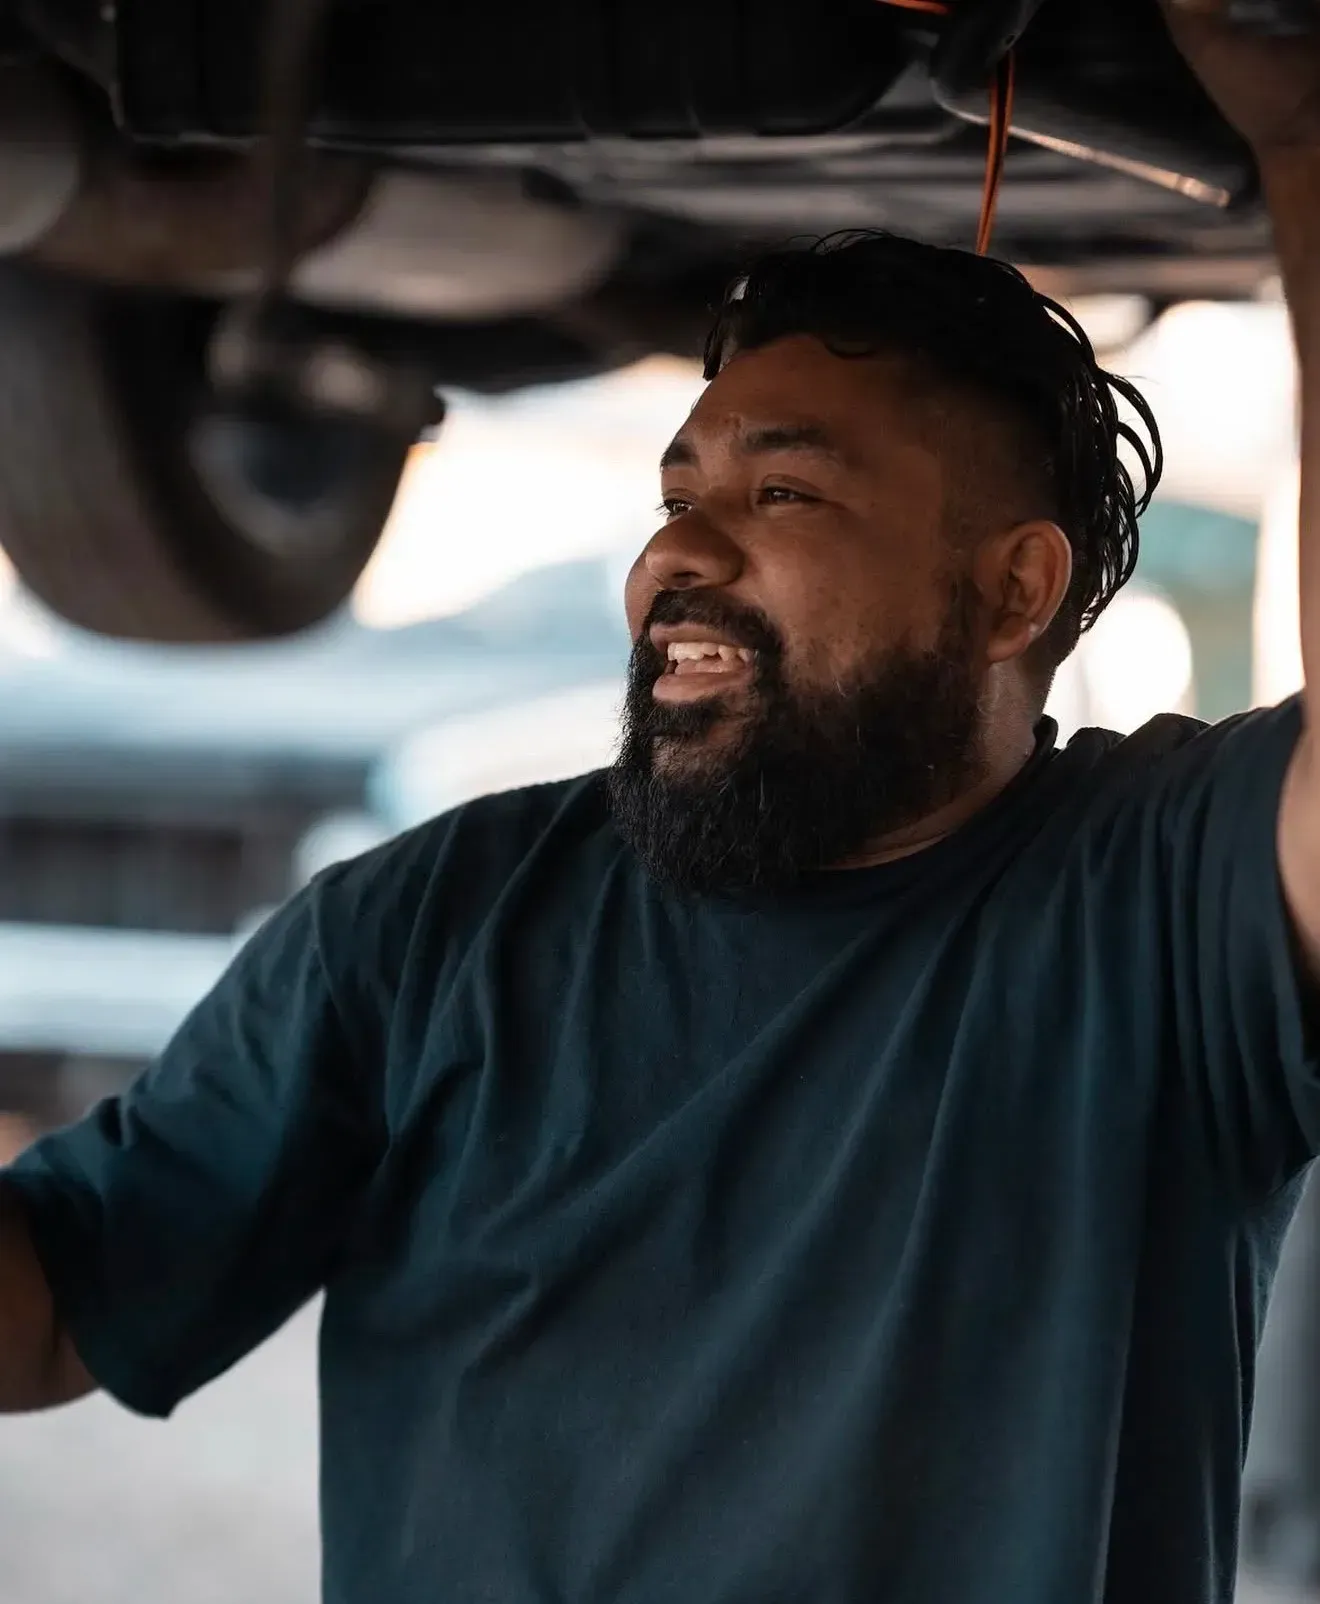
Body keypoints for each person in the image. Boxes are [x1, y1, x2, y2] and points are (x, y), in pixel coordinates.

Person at [2, 7, 1318, 1602]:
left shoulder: (1160, 903)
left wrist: (1306, 143)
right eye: (678, 495)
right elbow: (59, 1304)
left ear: (1010, 591)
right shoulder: (431, 928)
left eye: (782, 493)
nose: (680, 556)